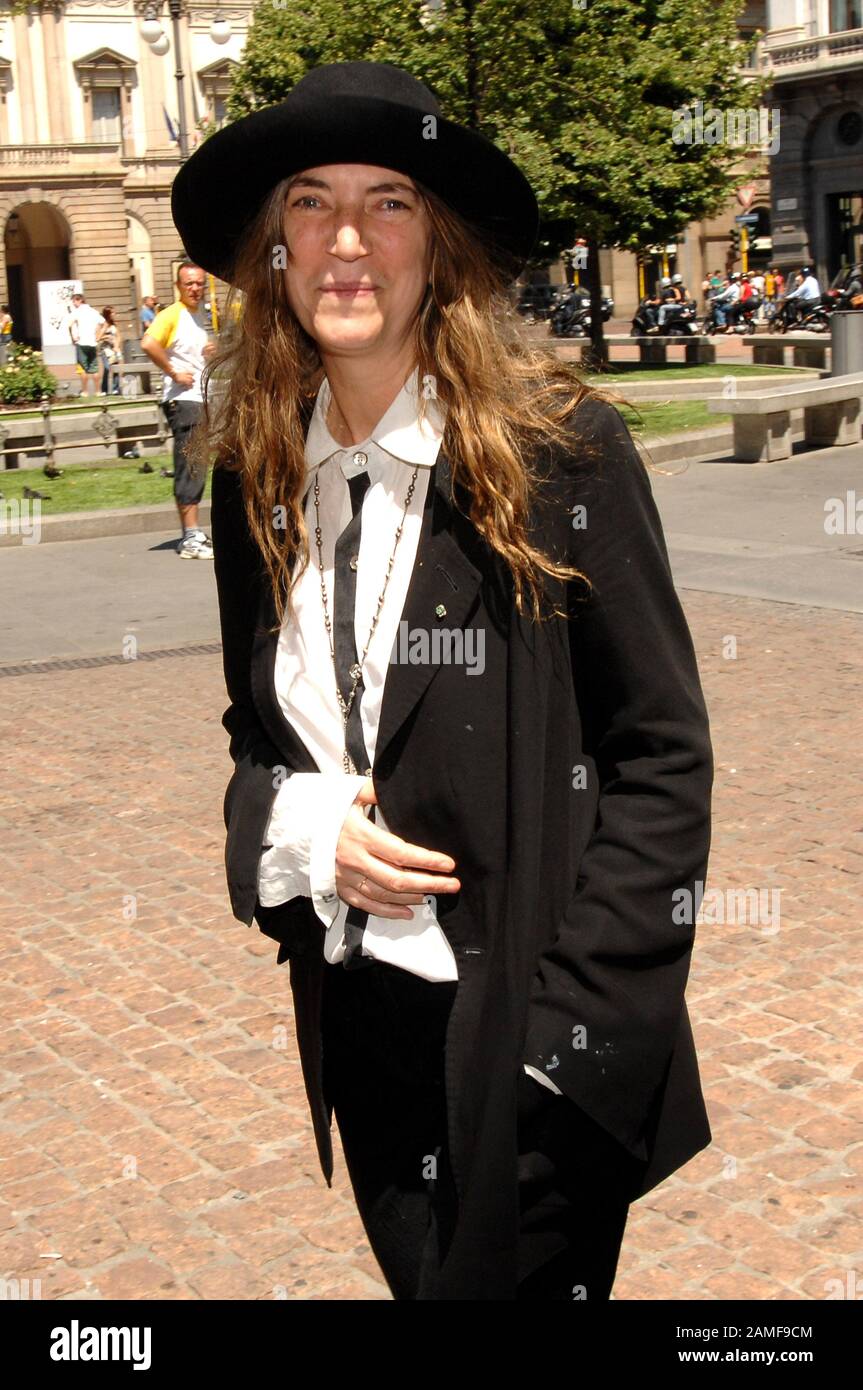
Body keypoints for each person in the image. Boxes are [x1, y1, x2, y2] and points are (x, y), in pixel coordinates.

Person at [172, 59, 714, 1302]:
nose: (346, 240)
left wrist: (561, 1050)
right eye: (309, 201)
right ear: (269, 249)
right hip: (361, 1028)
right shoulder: (259, 477)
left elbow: (660, 759)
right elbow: (255, 742)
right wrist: (307, 832)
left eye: (391, 202)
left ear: (442, 246)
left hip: (525, 1045)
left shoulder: (561, 455)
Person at [141, 263, 217, 558]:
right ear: (178, 286)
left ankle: (193, 532)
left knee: (197, 465)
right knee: (191, 465)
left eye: (199, 283)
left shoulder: (199, 316)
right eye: (189, 284)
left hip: (198, 399)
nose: (195, 288)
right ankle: (189, 537)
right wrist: (174, 372)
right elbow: (148, 343)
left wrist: (211, 350)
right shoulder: (171, 314)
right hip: (184, 400)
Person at [67, 292, 105, 398]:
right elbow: (104, 323)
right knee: (94, 367)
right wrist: (99, 336)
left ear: (79, 300)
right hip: (92, 342)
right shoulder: (93, 311)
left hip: (81, 342)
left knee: (82, 368)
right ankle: (98, 391)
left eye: (74, 301)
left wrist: (73, 337)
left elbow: (69, 325)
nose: (73, 304)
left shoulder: (77, 312)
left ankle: (85, 391)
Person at [96, 306, 123, 395]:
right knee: (107, 368)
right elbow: (98, 337)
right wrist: (107, 336)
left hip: (114, 349)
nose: (114, 314)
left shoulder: (114, 324)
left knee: (115, 368)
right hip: (105, 349)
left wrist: (117, 345)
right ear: (108, 314)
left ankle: (116, 388)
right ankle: (104, 389)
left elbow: (118, 336)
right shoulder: (103, 324)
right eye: (112, 313)